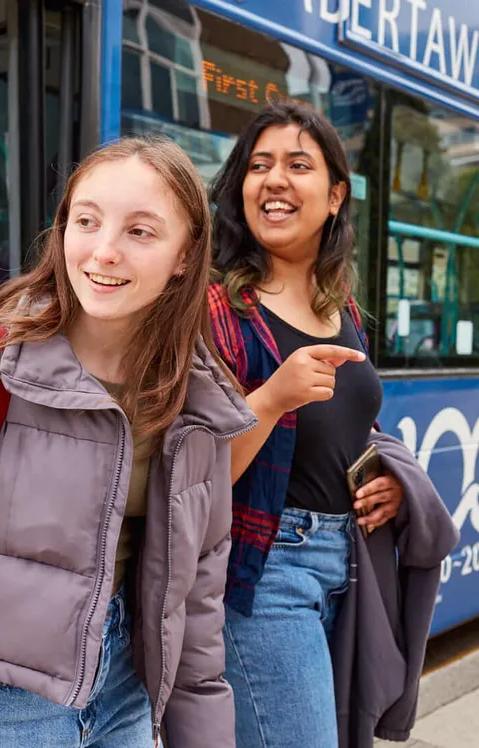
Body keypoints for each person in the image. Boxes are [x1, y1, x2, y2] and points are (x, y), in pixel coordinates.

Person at [0, 137, 253, 748]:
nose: (104, 251)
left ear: (186, 255)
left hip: (125, 695)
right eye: (86, 221)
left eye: (141, 231)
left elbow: (194, 607)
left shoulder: (194, 398)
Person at [208, 101, 405, 747]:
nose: (274, 180)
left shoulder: (339, 303)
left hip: (345, 559)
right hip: (263, 572)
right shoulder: (217, 307)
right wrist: (269, 399)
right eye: (259, 165)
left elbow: (349, 427)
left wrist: (388, 479)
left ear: (334, 196)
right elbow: (194, 472)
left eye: (298, 164)